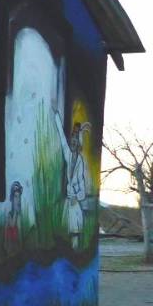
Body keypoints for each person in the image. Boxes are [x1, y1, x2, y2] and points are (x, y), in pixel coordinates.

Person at [52, 106, 91, 249]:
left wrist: (77, 197)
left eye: (75, 139)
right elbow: (62, 140)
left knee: (75, 230)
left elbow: (82, 185)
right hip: (68, 202)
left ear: (78, 143)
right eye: (72, 139)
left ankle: (75, 253)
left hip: (74, 202)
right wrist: (56, 116)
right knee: (66, 231)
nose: (73, 142)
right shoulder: (68, 156)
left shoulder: (80, 162)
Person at [4, 181, 23, 254]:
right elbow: (11, 225)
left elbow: (19, 231)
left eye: (18, 197)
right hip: (9, 242)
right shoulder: (10, 214)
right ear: (12, 198)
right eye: (15, 197)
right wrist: (15, 212)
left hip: (16, 242)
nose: (17, 200)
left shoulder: (18, 215)